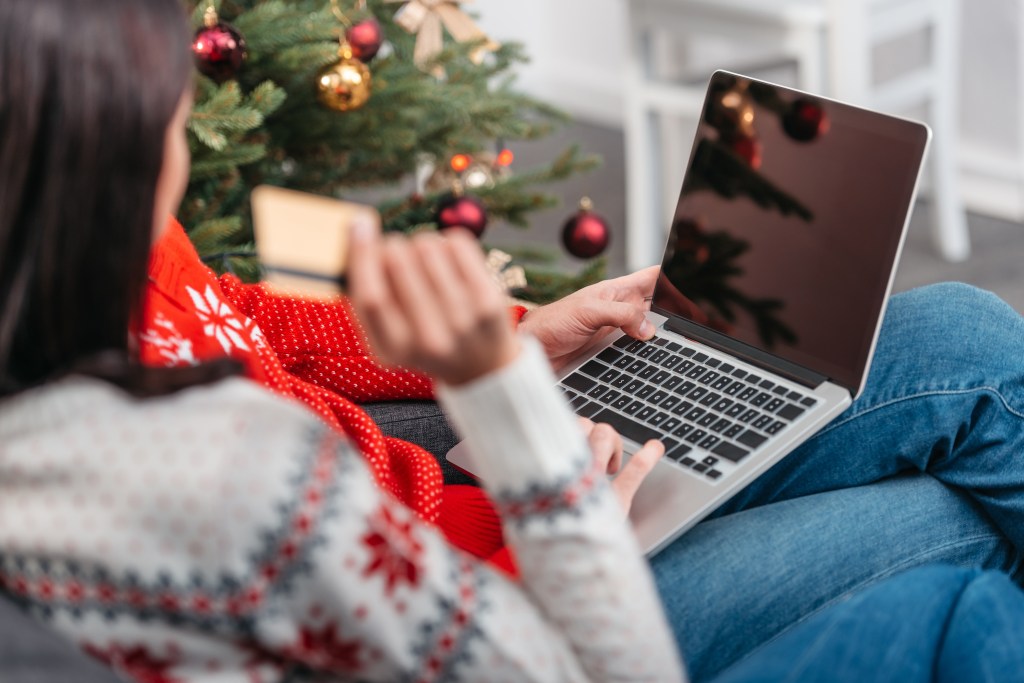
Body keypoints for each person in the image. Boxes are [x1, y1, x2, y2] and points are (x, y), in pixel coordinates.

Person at [3, 1, 1024, 682]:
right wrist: (545, 472)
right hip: (530, 572)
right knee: (956, 540)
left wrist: (520, 340)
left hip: (474, 490)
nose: (181, 149)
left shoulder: (92, 257)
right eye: (176, 121)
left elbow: (245, 314)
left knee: (962, 333)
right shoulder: (216, 477)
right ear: (94, 152)